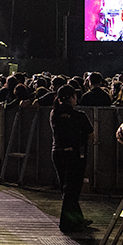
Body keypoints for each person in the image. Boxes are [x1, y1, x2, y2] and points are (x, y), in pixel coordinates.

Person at [50, 85, 94, 232]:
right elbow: (91, 134)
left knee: (66, 187)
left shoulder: (54, 113)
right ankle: (66, 223)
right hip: (74, 155)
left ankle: (77, 219)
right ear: (72, 97)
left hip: (57, 152)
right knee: (73, 190)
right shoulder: (79, 116)